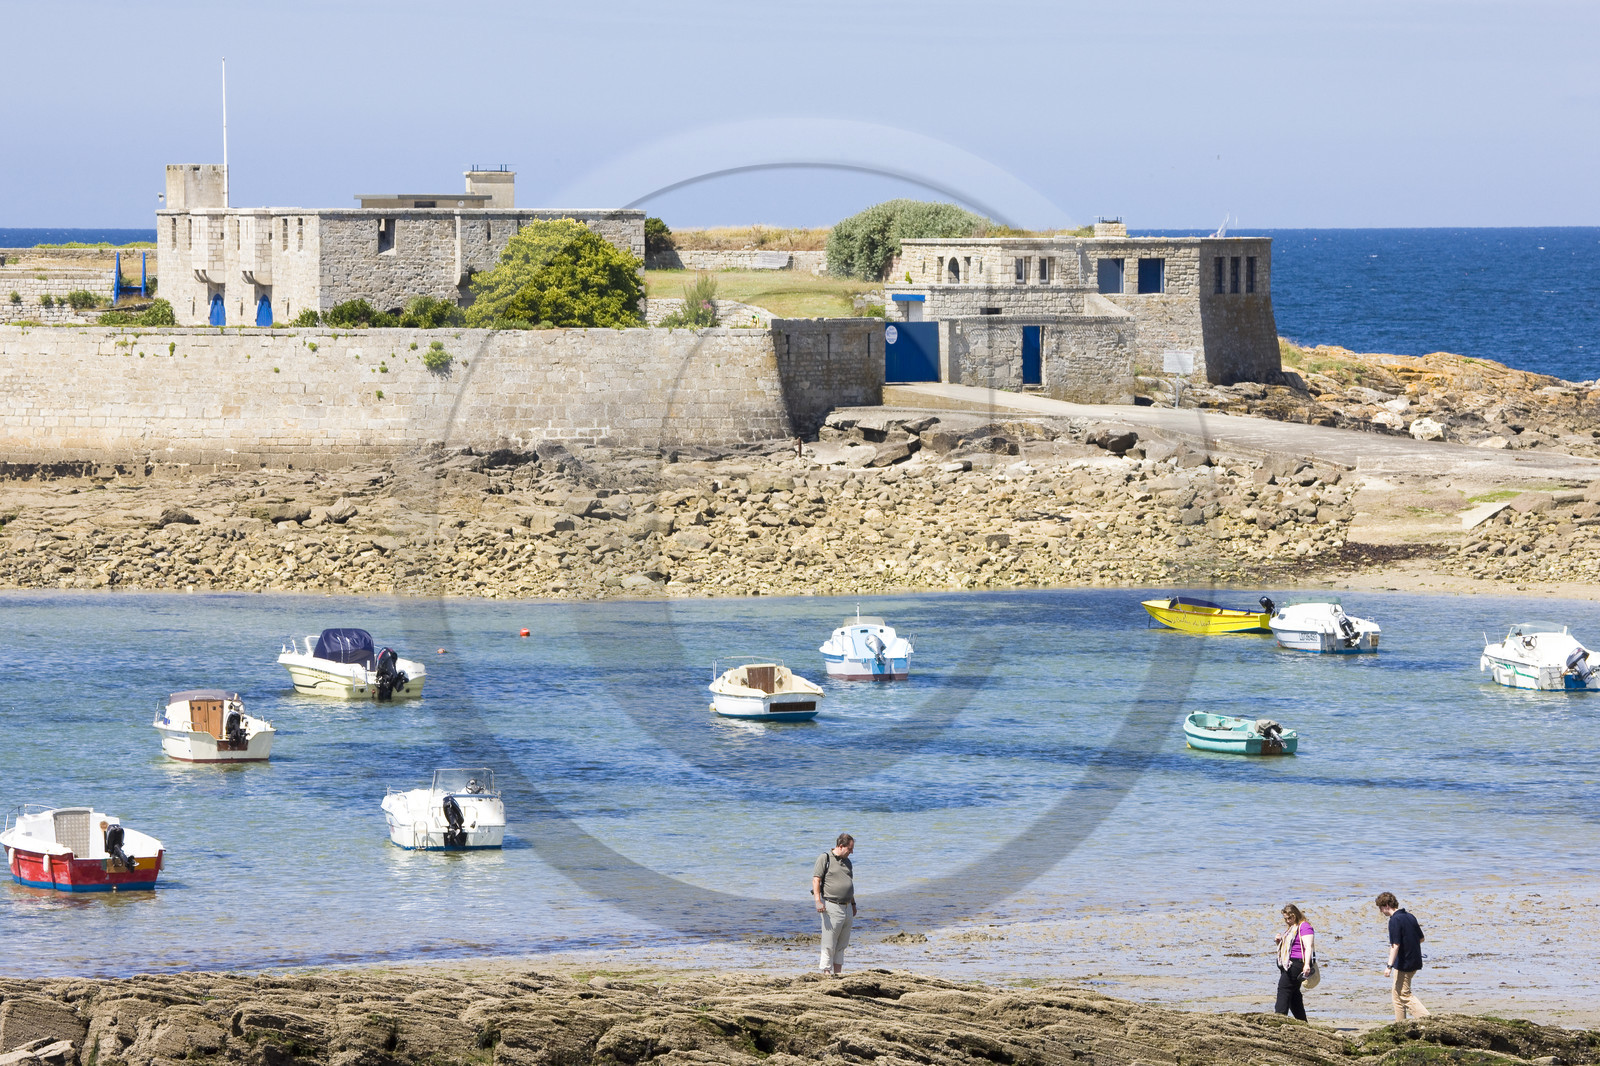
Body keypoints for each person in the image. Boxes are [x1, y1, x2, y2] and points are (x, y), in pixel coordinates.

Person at [1377, 891, 1429, 1021]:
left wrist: (1388, 966)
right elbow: (1421, 939)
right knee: (1396, 994)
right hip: (1414, 959)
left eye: (1381, 908)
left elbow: (1395, 945)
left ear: (1387, 905)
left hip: (1405, 963)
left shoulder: (1394, 920)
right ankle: (1400, 1024)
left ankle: (1427, 1020)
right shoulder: (1410, 916)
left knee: (1404, 994)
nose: (1381, 911)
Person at [812, 833, 856, 975]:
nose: (852, 852)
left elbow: (849, 884)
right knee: (829, 943)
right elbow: (816, 880)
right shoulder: (825, 858)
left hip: (848, 906)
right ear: (841, 846)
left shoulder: (848, 862)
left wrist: (854, 904)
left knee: (842, 944)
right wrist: (818, 901)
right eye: (850, 849)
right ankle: (826, 973)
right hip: (832, 905)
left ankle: (838, 974)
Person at [1273, 903, 1315, 1020]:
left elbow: (1308, 947)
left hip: (1297, 963)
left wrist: (1306, 965)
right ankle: (1302, 1022)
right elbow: (1289, 947)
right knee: (1294, 994)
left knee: (1284, 989)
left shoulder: (1304, 926)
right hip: (1289, 963)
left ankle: (1278, 1019)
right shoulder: (1292, 928)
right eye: (1285, 919)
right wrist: (1279, 942)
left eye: (1290, 918)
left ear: (1295, 915)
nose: (1287, 921)